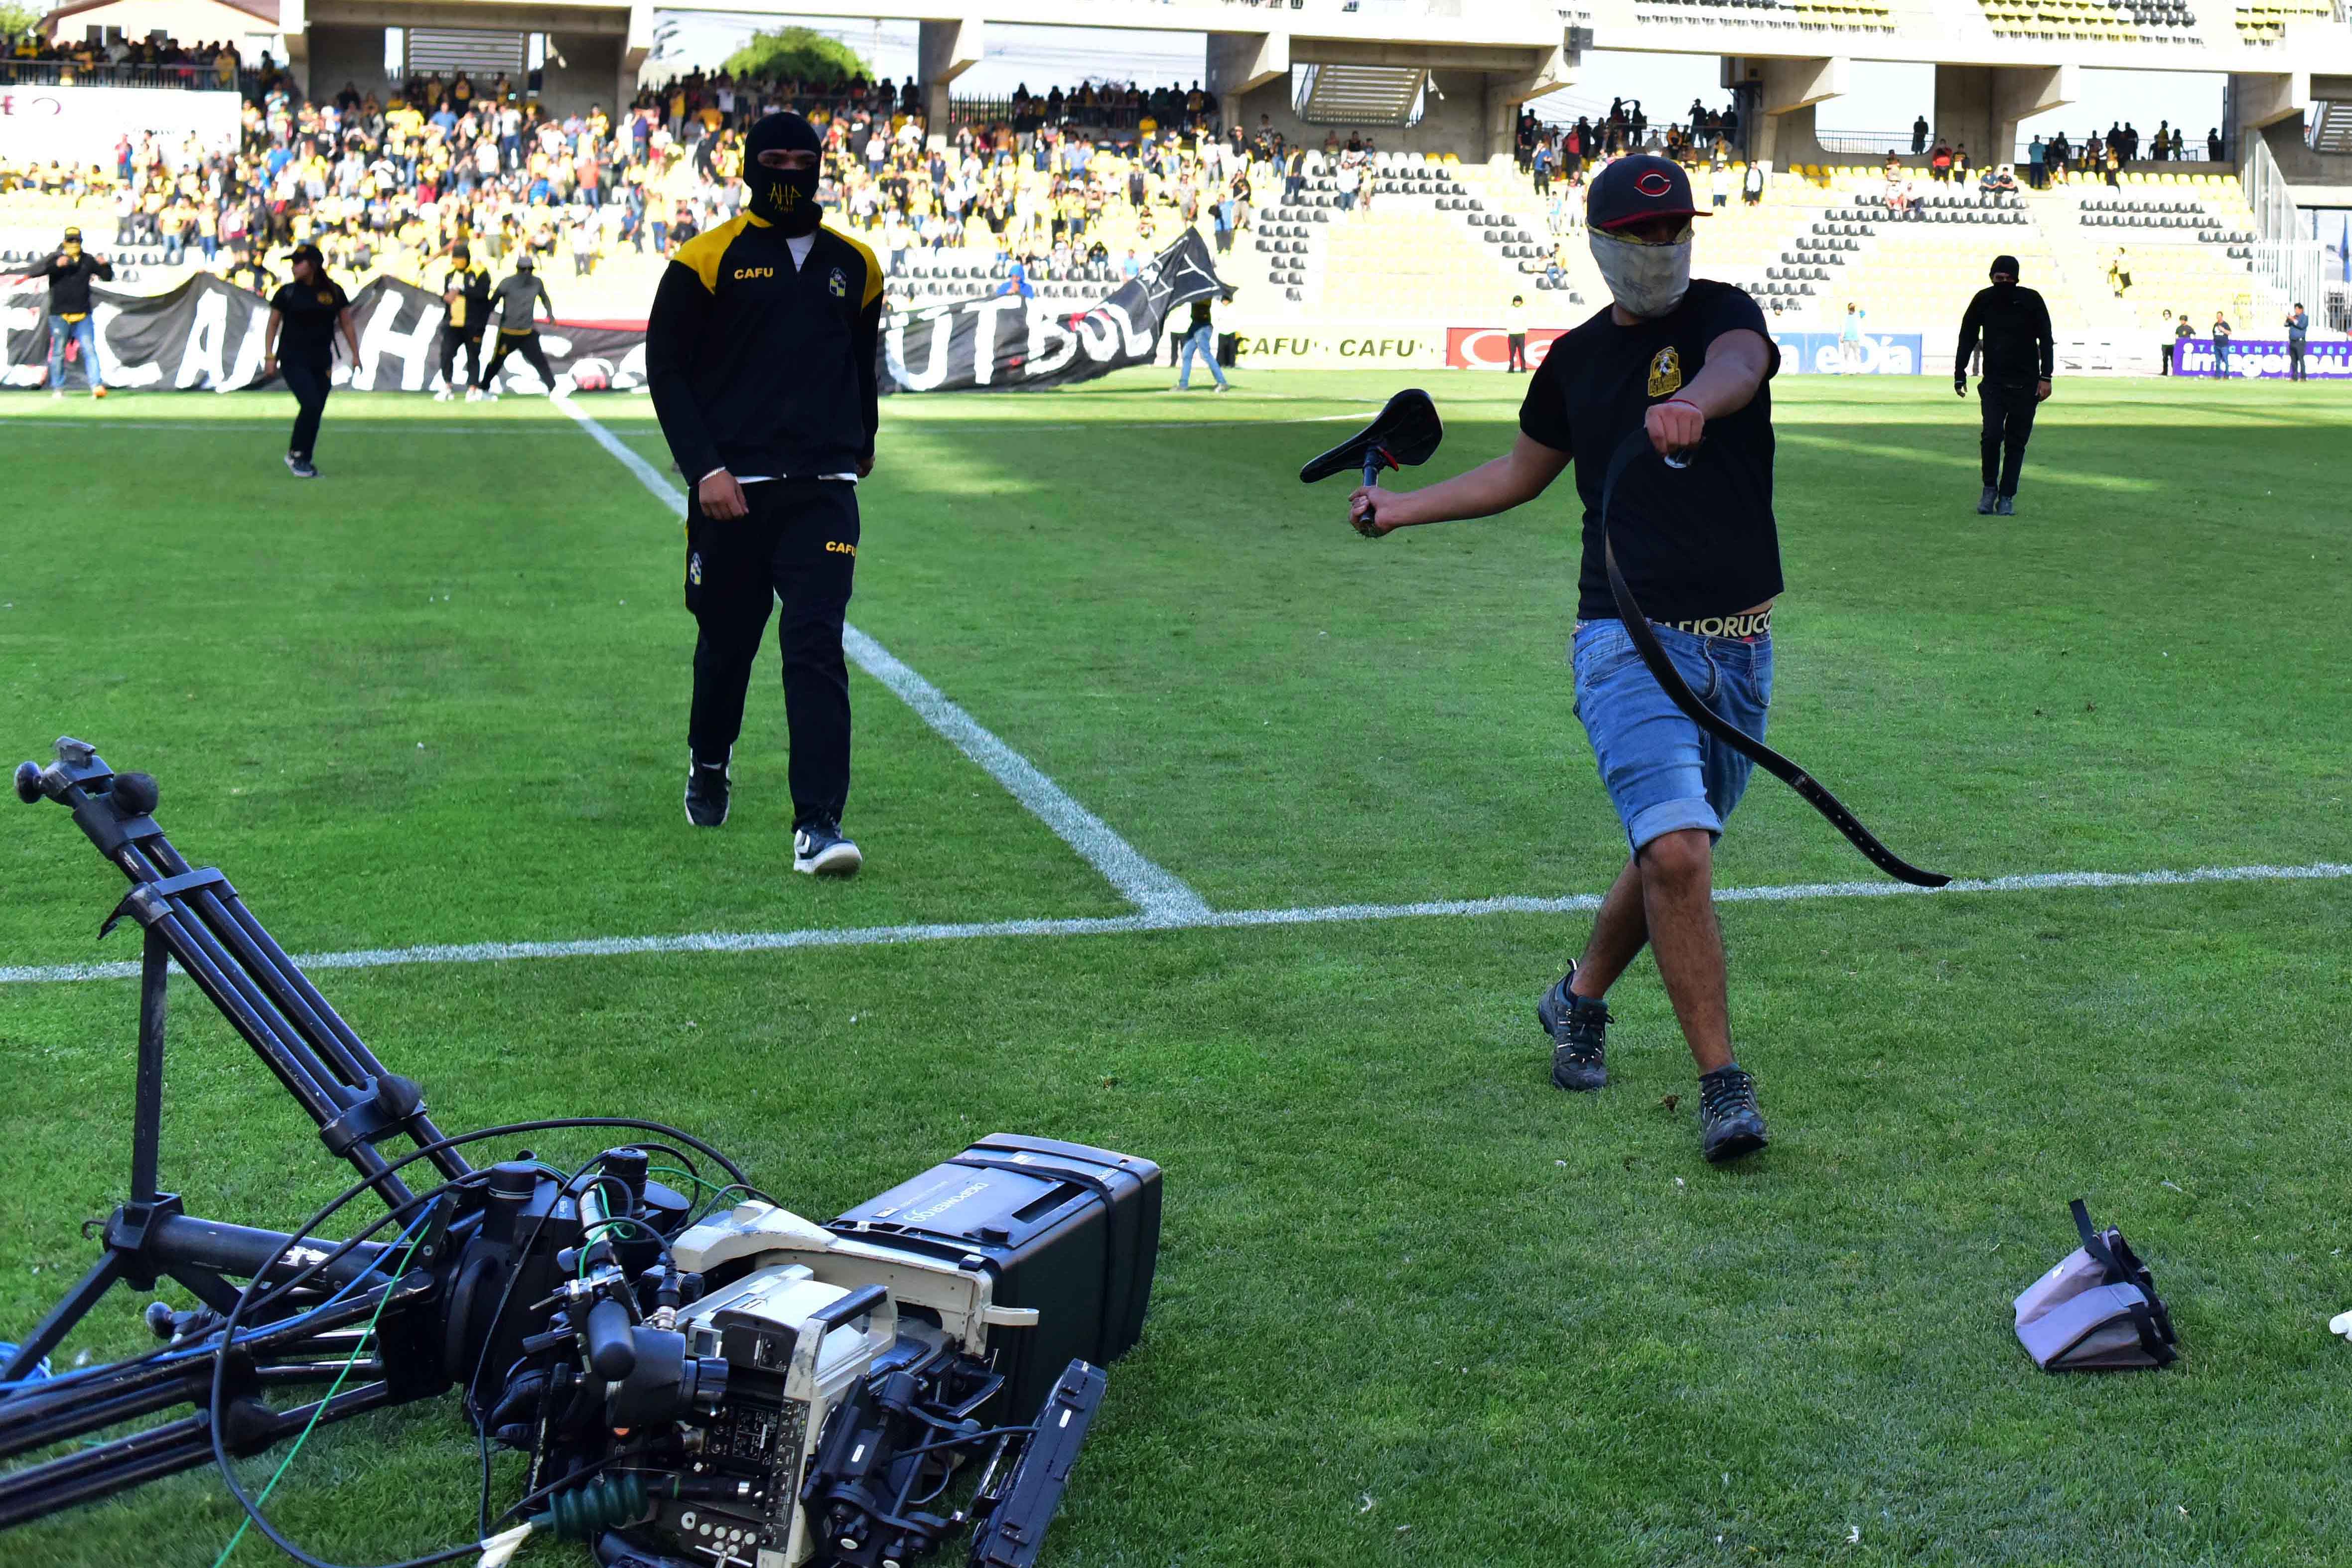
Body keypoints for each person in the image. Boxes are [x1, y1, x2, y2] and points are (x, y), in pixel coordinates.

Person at [1343, 155, 1781, 1165]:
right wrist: (1398, 507)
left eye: (1674, 230)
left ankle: (1575, 998)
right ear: (1597, 245)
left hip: (1739, 649)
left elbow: (1738, 365)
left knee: (1677, 847)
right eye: (1640, 235)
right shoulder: (1576, 362)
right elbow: (1518, 472)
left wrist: (1695, 407)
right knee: (1676, 850)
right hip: (1622, 640)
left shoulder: (1722, 312)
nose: (1660, 250)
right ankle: (1723, 1086)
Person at [645, 110, 882, 877]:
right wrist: (704, 469)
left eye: (801, 157)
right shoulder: (703, 261)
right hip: (731, 494)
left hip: (823, 492)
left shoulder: (859, 266)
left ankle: (817, 824)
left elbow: (861, 365)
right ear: (748, 165)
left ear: (821, 165)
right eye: (773, 157)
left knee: (815, 644)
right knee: (726, 647)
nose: (788, 169)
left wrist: (862, 443)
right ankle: (709, 760)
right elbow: (667, 372)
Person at [1954, 254, 2054, 517]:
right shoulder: (1983, 300)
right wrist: (1959, 372)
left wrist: (2047, 377)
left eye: (2008, 279)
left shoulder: (2031, 300)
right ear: (1991, 278)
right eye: (1999, 278)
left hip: (2027, 384)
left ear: (2017, 279)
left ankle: (2007, 496)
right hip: (1995, 384)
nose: (2004, 283)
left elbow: (2046, 338)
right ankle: (1989, 489)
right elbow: (1967, 335)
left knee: (2016, 443)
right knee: (1991, 436)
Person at [262, 243, 357, 480]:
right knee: (311, 403)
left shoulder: (334, 292)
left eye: (298, 263)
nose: (293, 267)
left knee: (316, 409)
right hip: (293, 359)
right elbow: (273, 324)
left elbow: (346, 322)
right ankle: (296, 454)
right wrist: (269, 356)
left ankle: (305, 457)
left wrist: (356, 353)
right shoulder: (287, 293)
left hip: (322, 360)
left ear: (313, 265)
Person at [41, 226, 113, 400]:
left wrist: (105, 264)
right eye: (71, 240)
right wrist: (57, 265)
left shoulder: (87, 260)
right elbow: (40, 270)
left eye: (76, 240)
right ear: (65, 242)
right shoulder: (55, 259)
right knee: (58, 352)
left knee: (89, 350)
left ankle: (96, 386)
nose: (74, 243)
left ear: (81, 242)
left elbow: (107, 276)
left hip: (82, 314)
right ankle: (58, 388)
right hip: (60, 315)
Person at [480, 254, 558, 394]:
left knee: (540, 362)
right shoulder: (507, 283)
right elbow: (492, 303)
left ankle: (553, 389)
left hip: (527, 333)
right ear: (518, 269)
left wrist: (550, 315)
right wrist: (481, 319)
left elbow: (545, 299)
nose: (527, 272)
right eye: (524, 269)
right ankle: (483, 388)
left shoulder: (536, 283)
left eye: (530, 269)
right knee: (496, 362)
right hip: (507, 333)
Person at [432, 243, 492, 402]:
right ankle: (447, 386)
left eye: (458, 259)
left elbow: (483, 294)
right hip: (453, 324)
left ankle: (472, 389)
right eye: (454, 259)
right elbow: (447, 295)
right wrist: (445, 298)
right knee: (446, 354)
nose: (455, 262)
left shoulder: (480, 273)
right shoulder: (450, 275)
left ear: (465, 259)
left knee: (473, 356)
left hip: (473, 324)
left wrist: (462, 291)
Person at [1173, 288, 1230, 392]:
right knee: (1187, 354)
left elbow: (1202, 299)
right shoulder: (1199, 289)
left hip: (1203, 326)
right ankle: (1183, 384)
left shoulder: (1205, 291)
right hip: (1195, 325)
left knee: (1205, 355)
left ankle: (1222, 382)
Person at [1504, 292, 1529, 373]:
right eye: (1516, 301)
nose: (1517, 303)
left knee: (1522, 352)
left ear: (1521, 302)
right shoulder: (1510, 310)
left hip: (1521, 333)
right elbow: (1507, 320)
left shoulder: (1524, 310)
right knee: (1512, 353)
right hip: (1512, 334)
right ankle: (1511, 368)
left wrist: (1525, 329)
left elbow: (1526, 321)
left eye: (1518, 301)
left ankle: (1523, 368)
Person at [1838, 302, 1866, 372]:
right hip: (1847, 338)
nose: (1852, 310)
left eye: (1853, 308)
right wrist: (1842, 336)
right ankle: (1846, 369)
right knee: (1846, 354)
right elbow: (1842, 327)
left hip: (1855, 339)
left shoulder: (1857, 316)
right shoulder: (1845, 317)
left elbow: (1863, 313)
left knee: (1857, 354)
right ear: (1848, 309)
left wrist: (1859, 306)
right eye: (1851, 308)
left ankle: (1859, 370)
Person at [2285, 302, 2308, 381]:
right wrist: (2288, 319)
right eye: (2295, 309)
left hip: (2300, 342)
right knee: (2293, 360)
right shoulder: (2294, 317)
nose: (2296, 311)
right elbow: (2286, 325)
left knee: (2301, 359)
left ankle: (2303, 377)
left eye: (2297, 309)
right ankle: (2294, 377)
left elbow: (2302, 326)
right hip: (2292, 341)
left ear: (2301, 310)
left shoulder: (2305, 318)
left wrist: (2293, 320)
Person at [2211, 311, 2232, 377]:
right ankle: (2217, 375)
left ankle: (2227, 375)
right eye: (2218, 316)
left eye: (2220, 316)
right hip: (2217, 345)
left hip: (2224, 346)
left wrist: (2223, 330)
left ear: (2222, 317)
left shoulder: (2225, 324)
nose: (2219, 317)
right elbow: (2213, 333)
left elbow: (2229, 333)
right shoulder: (2216, 325)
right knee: (2217, 362)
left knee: (2226, 360)